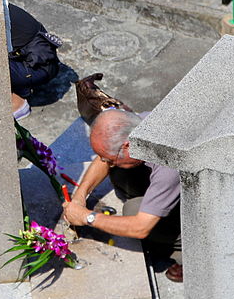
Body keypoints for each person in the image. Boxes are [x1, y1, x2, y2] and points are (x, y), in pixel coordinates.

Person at [62, 109, 183, 282]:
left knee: (133, 210)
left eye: (109, 159)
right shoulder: (136, 124)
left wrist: (86, 217)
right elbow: (103, 157)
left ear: (127, 146)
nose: (105, 163)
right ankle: (155, 205)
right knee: (119, 168)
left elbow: (140, 227)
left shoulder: (167, 163)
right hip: (167, 182)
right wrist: (80, 196)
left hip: (204, 214)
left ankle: (183, 253)